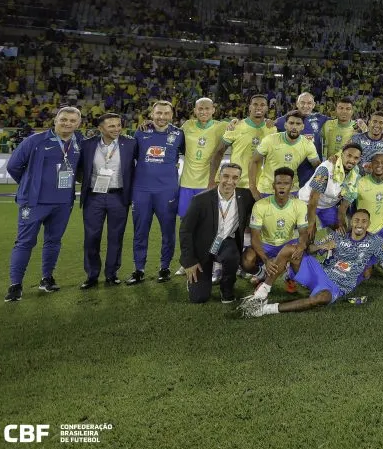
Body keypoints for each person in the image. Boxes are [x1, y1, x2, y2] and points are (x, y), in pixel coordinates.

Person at [238, 210, 383, 317]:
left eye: (364, 221)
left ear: (368, 224)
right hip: (319, 272)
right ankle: (262, 292)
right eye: (356, 220)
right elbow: (309, 250)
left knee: (322, 299)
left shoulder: (375, 242)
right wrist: (322, 246)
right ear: (351, 222)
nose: (359, 224)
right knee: (291, 249)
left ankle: (265, 310)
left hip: (336, 286)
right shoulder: (338, 235)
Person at [4, 106, 83, 301]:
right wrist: (29, 184)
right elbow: (13, 166)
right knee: (25, 242)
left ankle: (46, 279)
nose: (68, 123)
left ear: (78, 124)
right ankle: (15, 285)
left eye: (73, 121)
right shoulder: (35, 141)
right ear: (55, 120)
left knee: (53, 242)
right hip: (34, 202)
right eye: (64, 119)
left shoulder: (79, 141)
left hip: (63, 202)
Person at [178, 163, 256, 304]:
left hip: (225, 242)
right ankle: (197, 282)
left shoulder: (245, 196)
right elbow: (185, 230)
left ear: (239, 179)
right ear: (219, 176)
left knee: (232, 256)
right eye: (225, 176)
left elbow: (262, 206)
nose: (229, 181)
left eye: (235, 177)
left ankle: (226, 290)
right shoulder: (201, 200)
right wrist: (189, 261)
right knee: (199, 298)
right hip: (202, 246)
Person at [78, 112, 137, 289]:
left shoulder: (131, 143)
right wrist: (87, 182)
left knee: (115, 237)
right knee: (91, 237)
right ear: (100, 128)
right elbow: (80, 168)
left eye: (119, 125)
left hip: (119, 196)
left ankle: (112, 274)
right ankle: (92, 275)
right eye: (111, 126)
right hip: (94, 196)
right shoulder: (87, 145)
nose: (117, 129)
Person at [129, 100, 185, 284]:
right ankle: (139, 269)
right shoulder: (141, 132)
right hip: (141, 190)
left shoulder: (179, 134)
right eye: (158, 113)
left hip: (167, 191)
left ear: (172, 115)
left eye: (166, 113)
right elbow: (132, 158)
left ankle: (164, 267)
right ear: (152, 114)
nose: (162, 117)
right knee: (140, 231)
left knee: (168, 231)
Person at [341, 152, 383, 273]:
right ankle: (378, 257)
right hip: (366, 231)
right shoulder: (360, 182)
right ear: (370, 165)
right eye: (376, 162)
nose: (380, 165)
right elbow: (344, 206)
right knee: (366, 273)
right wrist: (345, 227)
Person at [242, 167, 310, 285]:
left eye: (286, 183)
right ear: (273, 185)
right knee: (247, 260)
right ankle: (261, 274)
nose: (282, 186)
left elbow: (303, 233)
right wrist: (266, 260)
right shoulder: (260, 205)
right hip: (265, 244)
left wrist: (301, 245)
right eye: (279, 183)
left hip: (287, 243)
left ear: (292, 185)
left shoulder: (300, 205)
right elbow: (255, 238)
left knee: (301, 252)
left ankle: (290, 276)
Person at [248, 111, 321, 200]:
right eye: (291, 123)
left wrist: (316, 189)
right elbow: (253, 161)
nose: (294, 127)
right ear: (285, 125)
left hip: (292, 190)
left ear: (302, 127)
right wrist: (253, 188)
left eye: (298, 124)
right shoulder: (270, 140)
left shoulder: (308, 144)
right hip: (267, 189)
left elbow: (318, 168)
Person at [209, 94, 275, 191]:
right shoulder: (236, 126)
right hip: (237, 184)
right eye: (255, 104)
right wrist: (212, 180)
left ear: (266, 108)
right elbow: (218, 153)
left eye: (262, 105)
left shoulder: (272, 129)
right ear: (249, 107)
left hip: (261, 186)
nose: (259, 107)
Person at [178, 97, 227, 218]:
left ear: (213, 110)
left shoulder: (222, 126)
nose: (203, 112)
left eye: (207, 109)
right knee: (185, 219)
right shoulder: (188, 125)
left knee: (206, 221)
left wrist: (270, 121)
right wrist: (150, 123)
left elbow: (245, 125)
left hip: (209, 183)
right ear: (195, 110)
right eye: (200, 108)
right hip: (187, 183)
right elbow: (171, 135)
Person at [304, 143, 363, 238]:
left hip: (327, 206)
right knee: (308, 235)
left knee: (342, 232)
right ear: (342, 155)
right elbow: (313, 198)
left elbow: (343, 207)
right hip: (307, 203)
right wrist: (311, 223)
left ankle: (329, 250)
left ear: (359, 159)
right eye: (349, 155)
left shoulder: (355, 176)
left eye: (356, 158)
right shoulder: (326, 169)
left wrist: (341, 224)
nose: (352, 160)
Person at [275, 93, 328, 192]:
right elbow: (268, 125)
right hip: (292, 168)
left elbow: (341, 123)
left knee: (312, 198)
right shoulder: (285, 120)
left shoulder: (320, 118)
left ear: (314, 105)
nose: (305, 106)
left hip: (313, 168)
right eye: (302, 103)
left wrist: (359, 122)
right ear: (297, 104)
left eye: (309, 103)